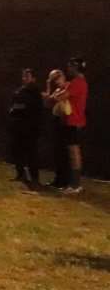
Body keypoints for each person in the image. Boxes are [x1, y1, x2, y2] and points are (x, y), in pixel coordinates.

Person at [45, 58, 88, 193]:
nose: (68, 69)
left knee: (74, 153)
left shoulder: (77, 82)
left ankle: (75, 185)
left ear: (76, 67)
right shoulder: (77, 82)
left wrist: (53, 94)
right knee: (71, 152)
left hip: (74, 121)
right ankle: (71, 183)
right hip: (70, 121)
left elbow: (59, 97)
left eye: (70, 67)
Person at [8, 68, 43, 189]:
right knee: (17, 150)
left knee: (31, 153)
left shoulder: (35, 92)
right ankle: (20, 174)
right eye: (23, 76)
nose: (24, 79)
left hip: (30, 127)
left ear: (33, 78)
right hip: (18, 125)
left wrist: (19, 107)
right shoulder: (20, 90)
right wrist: (15, 109)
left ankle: (34, 178)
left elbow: (29, 107)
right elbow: (13, 106)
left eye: (27, 76)